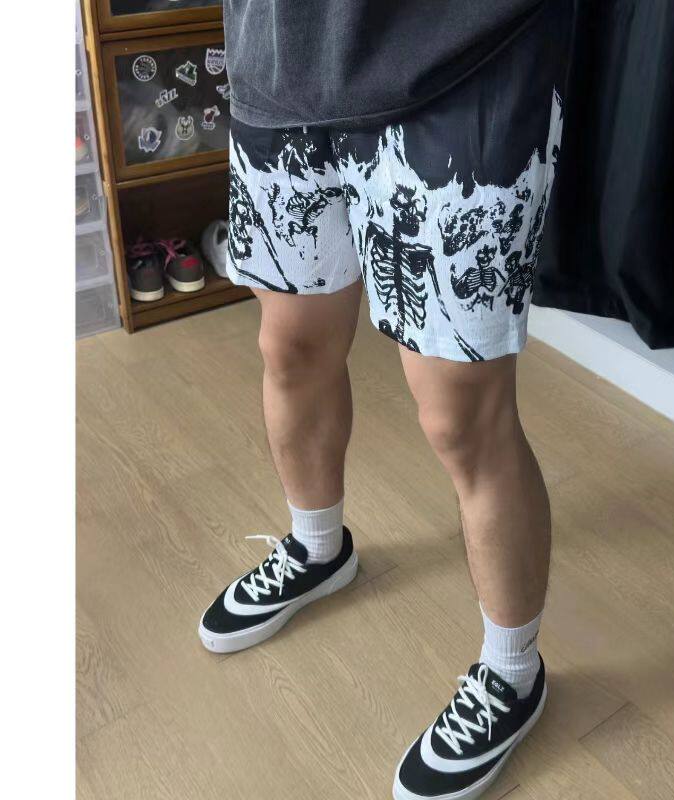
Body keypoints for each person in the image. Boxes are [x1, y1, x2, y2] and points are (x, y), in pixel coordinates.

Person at [198, 1, 573, 797]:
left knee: (461, 416)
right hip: (278, 61)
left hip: (460, 62)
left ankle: (513, 673)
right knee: (290, 349)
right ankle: (317, 548)